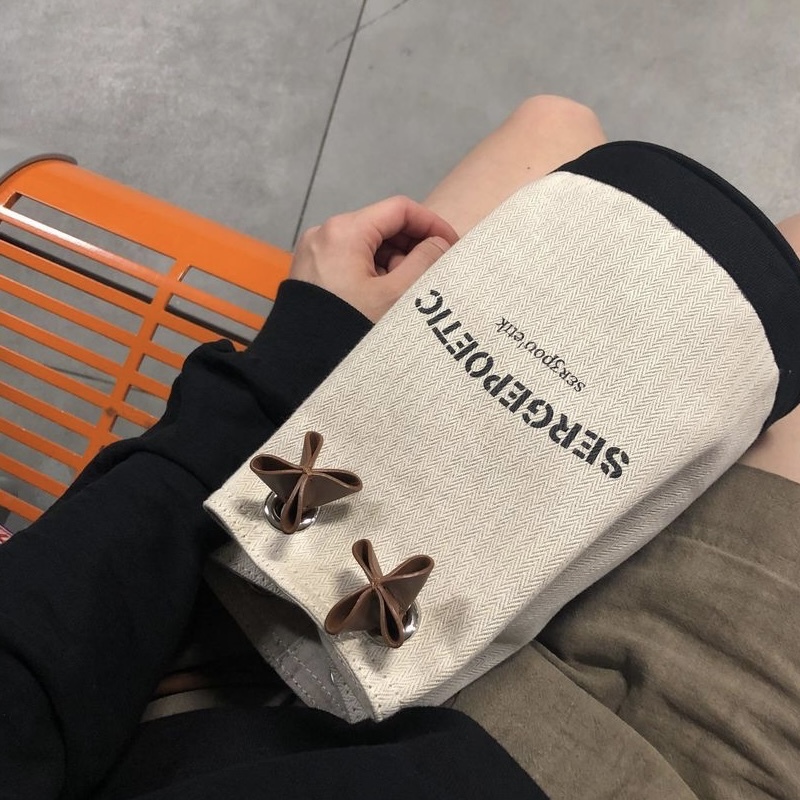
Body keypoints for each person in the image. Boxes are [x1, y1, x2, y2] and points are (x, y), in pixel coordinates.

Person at [2, 96, 799, 800]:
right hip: (627, 762)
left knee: (559, 133)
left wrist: (294, 360)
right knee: (760, 289)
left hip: (196, 641)